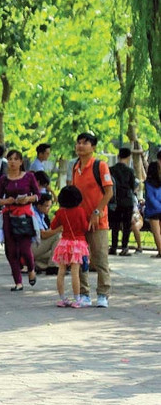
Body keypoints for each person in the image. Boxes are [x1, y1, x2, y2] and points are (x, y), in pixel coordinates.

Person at [70, 132, 113, 308]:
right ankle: (84, 294)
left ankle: (103, 294)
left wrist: (97, 212)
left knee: (100, 259)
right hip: (80, 222)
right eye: (78, 142)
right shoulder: (75, 167)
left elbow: (109, 192)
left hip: (98, 222)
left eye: (85, 143)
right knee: (80, 259)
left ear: (93, 147)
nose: (81, 146)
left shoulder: (100, 166)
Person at [0, 149, 40, 291]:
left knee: (25, 249)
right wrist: (5, 201)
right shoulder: (3, 179)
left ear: (21, 162)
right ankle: (18, 282)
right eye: (10, 159)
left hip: (25, 216)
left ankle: (31, 269)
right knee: (11, 250)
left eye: (16, 159)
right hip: (9, 216)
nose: (13, 162)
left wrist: (28, 199)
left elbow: (38, 195)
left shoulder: (29, 177)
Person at [51, 186, 90, 308]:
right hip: (78, 244)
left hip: (64, 243)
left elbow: (53, 226)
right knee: (75, 273)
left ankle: (62, 298)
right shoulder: (80, 211)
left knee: (61, 271)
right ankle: (77, 298)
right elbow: (85, 227)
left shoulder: (61, 212)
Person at [109, 147, 137, 256]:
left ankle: (114, 247)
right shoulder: (130, 171)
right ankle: (124, 247)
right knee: (126, 225)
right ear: (129, 157)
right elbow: (132, 186)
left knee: (115, 225)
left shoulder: (111, 169)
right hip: (127, 200)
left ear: (118, 156)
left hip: (115, 201)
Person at [32, 194, 61, 274]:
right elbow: (43, 235)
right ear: (39, 205)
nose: (49, 209)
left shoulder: (42, 215)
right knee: (58, 236)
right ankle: (53, 266)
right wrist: (59, 228)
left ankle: (39, 264)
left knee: (61, 255)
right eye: (47, 206)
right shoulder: (34, 214)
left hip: (38, 246)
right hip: (33, 245)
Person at [143, 161, 161, 257]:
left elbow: (150, 197)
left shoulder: (148, 183)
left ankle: (160, 251)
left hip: (153, 210)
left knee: (156, 233)